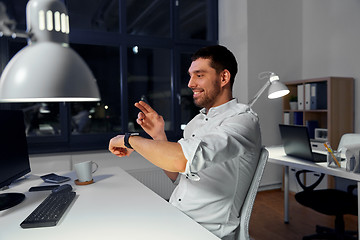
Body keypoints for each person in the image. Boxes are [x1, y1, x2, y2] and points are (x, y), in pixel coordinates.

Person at [108, 45, 262, 239]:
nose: (190, 83)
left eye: (199, 75)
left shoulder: (243, 120)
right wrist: (158, 136)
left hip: (206, 231)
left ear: (223, 77)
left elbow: (183, 159)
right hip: (176, 216)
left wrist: (130, 140)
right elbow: (177, 173)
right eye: (190, 75)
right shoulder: (195, 123)